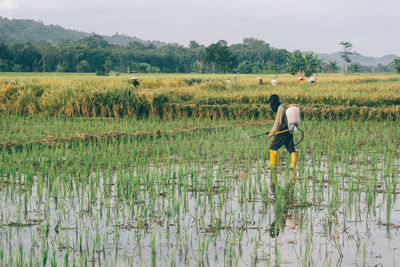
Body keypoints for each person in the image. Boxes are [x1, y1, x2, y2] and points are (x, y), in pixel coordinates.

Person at [266, 94, 296, 170]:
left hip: (284, 130)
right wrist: (272, 130)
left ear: (275, 101)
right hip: (289, 129)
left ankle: (272, 166)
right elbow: (280, 122)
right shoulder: (283, 106)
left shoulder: (280, 108)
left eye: (271, 102)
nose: (271, 104)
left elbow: (278, 122)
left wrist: (272, 133)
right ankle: (293, 167)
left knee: (273, 146)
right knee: (291, 148)